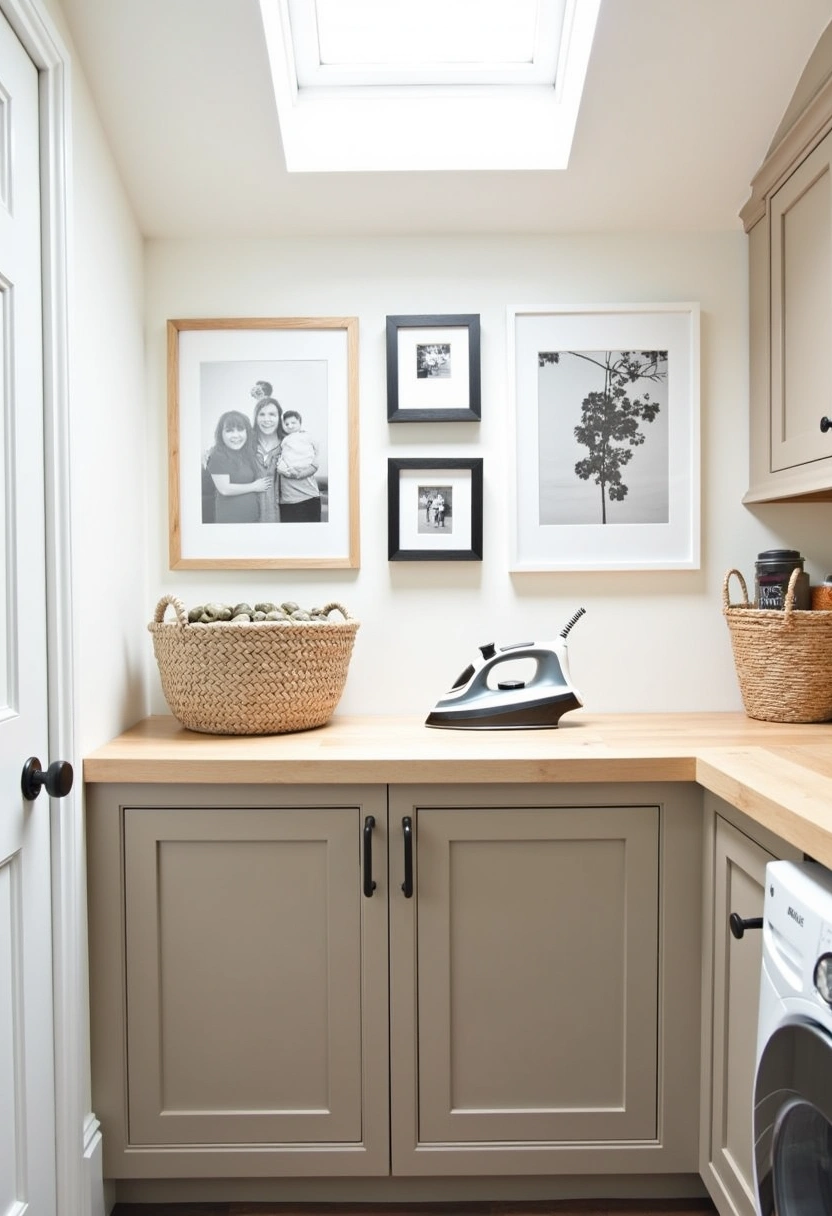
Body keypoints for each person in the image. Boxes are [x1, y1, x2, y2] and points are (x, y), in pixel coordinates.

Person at [206, 410, 270, 523]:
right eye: (229, 431)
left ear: (247, 432)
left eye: (240, 430)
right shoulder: (218, 455)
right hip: (232, 520)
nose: (236, 435)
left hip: (252, 518)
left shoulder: (246, 453)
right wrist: (254, 486)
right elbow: (224, 489)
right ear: (221, 434)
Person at [276, 408, 322, 522]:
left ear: (300, 423)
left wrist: (300, 474)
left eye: (293, 423)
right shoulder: (284, 441)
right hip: (288, 500)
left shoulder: (307, 437)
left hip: (309, 497)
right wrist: (284, 469)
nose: (290, 426)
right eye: (287, 424)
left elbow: (316, 461)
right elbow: (280, 460)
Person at [252, 395, 284, 522]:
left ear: (279, 418)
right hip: (252, 515)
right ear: (256, 418)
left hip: (280, 515)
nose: (267, 419)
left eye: (272, 414)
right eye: (262, 414)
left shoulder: (288, 445)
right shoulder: (246, 445)